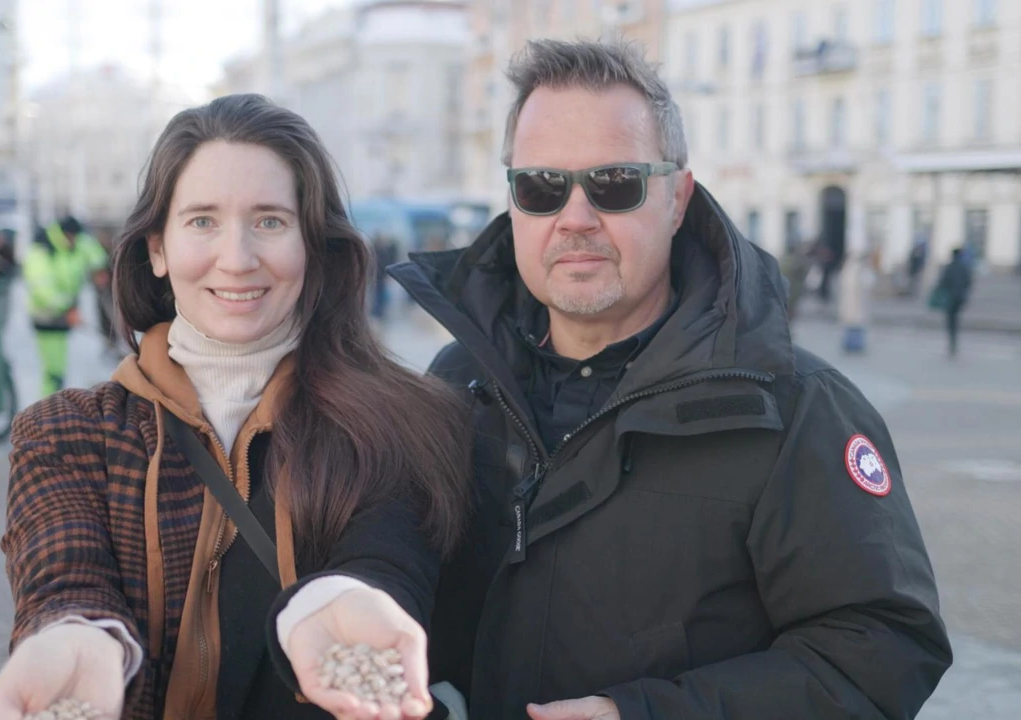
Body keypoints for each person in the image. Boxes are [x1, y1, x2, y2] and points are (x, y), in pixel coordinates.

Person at [387, 40, 951, 720]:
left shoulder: (793, 407)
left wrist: (645, 713)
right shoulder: (459, 381)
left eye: (614, 183)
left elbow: (884, 649)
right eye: (541, 186)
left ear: (677, 198)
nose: (575, 218)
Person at [0, 94, 471, 720]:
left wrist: (338, 602)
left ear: (313, 244)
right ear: (157, 248)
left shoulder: (402, 422)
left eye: (270, 221)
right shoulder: (65, 434)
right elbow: (63, 576)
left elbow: (387, 559)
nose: (237, 259)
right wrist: (82, 637)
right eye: (202, 221)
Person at [21, 215, 107, 396]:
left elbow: (91, 250)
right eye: (72, 238)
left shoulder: (76, 243)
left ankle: (55, 397)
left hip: (63, 315)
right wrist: (68, 307)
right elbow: (43, 290)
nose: (75, 241)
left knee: (59, 363)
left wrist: (100, 268)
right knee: (53, 368)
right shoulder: (41, 251)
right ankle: (47, 403)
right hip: (45, 316)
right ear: (64, 234)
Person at [933, 247, 973, 358]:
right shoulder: (964, 267)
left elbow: (942, 282)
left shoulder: (949, 267)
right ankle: (953, 340)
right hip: (960, 298)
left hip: (950, 297)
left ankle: (952, 341)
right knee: (955, 318)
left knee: (950, 319)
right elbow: (969, 282)